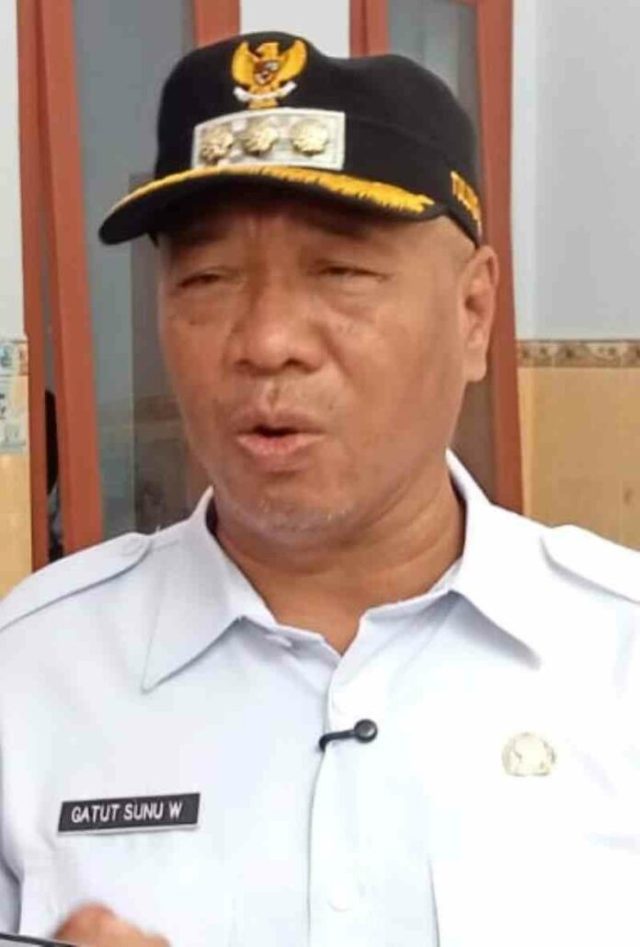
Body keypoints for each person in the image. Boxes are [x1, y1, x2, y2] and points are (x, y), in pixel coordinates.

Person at [1, 30, 639, 947]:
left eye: (340, 272)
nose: (266, 341)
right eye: (207, 277)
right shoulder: (30, 681)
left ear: (473, 312)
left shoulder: (618, 660)